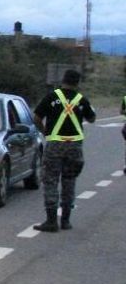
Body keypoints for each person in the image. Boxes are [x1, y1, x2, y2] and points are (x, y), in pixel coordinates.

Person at [32, 69, 96, 232]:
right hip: (75, 146)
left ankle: (51, 220)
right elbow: (92, 118)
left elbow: (36, 117)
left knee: (51, 180)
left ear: (63, 80)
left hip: (55, 144)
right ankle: (66, 220)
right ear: (77, 83)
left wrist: (45, 131)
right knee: (69, 180)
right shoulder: (81, 100)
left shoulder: (52, 97)